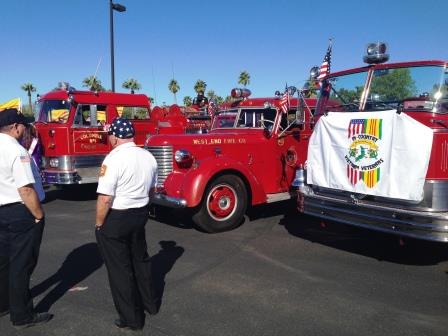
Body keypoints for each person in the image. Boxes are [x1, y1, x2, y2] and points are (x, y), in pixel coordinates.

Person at [95, 117, 159, 331]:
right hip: (140, 213)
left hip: (117, 217)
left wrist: (99, 224)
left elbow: (105, 198)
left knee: (120, 270)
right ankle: (151, 304)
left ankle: (132, 318)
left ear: (114, 137)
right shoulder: (148, 156)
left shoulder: (113, 159)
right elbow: (152, 191)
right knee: (140, 260)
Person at [0, 109, 52, 329]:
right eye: (23, 126)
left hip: (2, 211)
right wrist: (39, 215)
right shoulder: (16, 150)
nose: (24, 131)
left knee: (4, 263)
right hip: (21, 212)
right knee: (21, 264)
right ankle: (22, 315)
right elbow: (26, 189)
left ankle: (5, 304)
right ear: (15, 127)